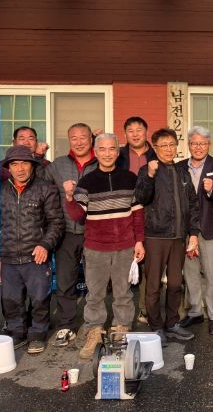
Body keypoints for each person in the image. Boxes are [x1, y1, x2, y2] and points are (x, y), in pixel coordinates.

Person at [64, 133, 146, 359]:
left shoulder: (129, 178)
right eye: (102, 149)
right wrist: (70, 197)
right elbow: (78, 216)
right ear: (96, 152)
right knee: (95, 293)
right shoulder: (87, 181)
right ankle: (95, 331)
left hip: (125, 246)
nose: (107, 154)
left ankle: (121, 328)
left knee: (123, 292)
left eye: (112, 149)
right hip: (96, 247)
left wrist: (139, 240)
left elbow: (138, 213)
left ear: (117, 152)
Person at [135, 128, 200, 346]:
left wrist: (193, 234)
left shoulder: (182, 172)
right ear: (155, 148)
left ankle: (172, 323)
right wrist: (150, 175)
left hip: (178, 237)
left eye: (172, 144)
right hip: (156, 237)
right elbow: (142, 197)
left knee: (175, 283)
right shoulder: (147, 169)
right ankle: (156, 326)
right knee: (153, 285)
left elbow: (193, 204)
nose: (169, 149)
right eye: (164, 145)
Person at [0, 145, 64, 354]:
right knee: (11, 299)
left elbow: (56, 222)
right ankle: (16, 333)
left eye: (24, 163)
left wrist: (45, 244)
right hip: (8, 254)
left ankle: (37, 334)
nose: (20, 169)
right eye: (14, 164)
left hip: (36, 255)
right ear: (8, 167)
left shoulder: (46, 188)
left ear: (33, 165)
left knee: (39, 299)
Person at [45, 123, 98, 347]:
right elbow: (42, 189)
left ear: (91, 139)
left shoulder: (101, 163)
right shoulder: (57, 165)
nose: (78, 142)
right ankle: (66, 325)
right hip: (66, 230)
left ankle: (94, 324)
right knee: (65, 280)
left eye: (83, 137)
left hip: (94, 230)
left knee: (95, 280)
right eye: (74, 138)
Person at [177, 126, 213, 335]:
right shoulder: (179, 167)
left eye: (203, 143)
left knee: (212, 273)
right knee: (190, 273)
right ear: (189, 145)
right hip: (186, 229)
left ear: (209, 145)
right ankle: (195, 311)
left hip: (209, 227)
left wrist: (212, 189)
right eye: (194, 143)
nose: (198, 147)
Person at [116, 116, 156, 326]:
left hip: (149, 213)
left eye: (139, 129)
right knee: (123, 263)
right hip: (123, 213)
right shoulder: (118, 155)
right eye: (130, 130)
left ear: (146, 131)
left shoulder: (156, 155)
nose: (135, 134)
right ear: (125, 134)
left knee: (148, 265)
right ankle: (122, 314)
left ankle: (145, 309)